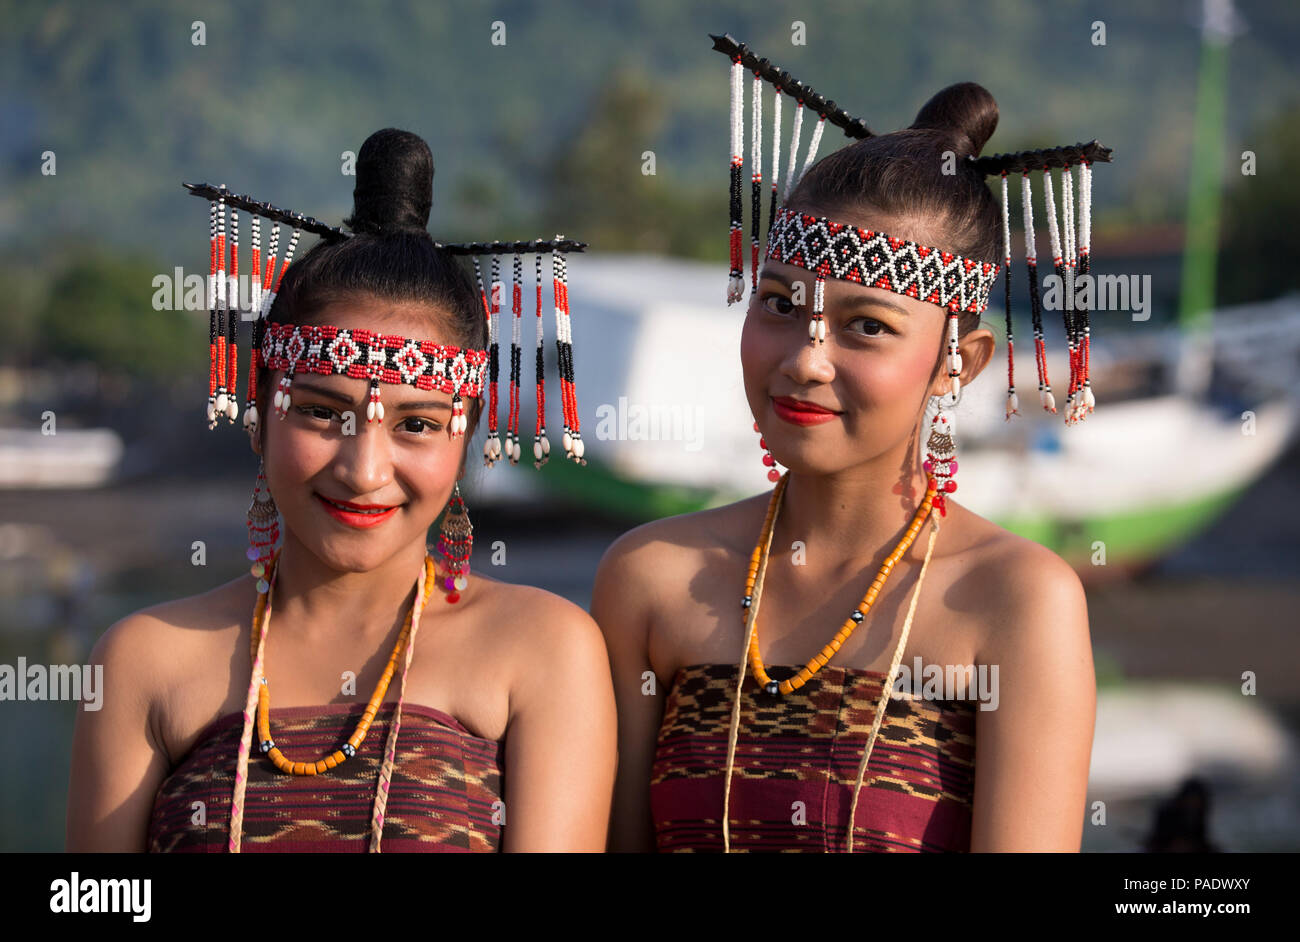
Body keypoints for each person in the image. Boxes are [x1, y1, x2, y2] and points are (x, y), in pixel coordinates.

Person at [66, 129, 617, 852]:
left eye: (416, 425)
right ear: (259, 415)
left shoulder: (543, 652)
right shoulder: (144, 660)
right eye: (323, 412)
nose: (363, 469)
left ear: (467, 438)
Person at [593, 81, 1096, 852]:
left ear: (956, 363)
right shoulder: (649, 580)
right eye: (780, 306)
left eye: (865, 326)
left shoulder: (1016, 603)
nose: (805, 360)